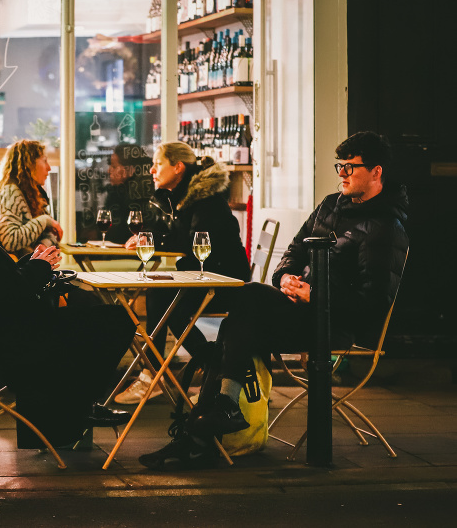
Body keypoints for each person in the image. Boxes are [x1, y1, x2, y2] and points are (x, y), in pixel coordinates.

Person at [140, 131, 409, 471]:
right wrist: (284, 278)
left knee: (236, 326)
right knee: (247, 299)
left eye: (350, 168)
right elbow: (293, 252)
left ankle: (199, 433)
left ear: (376, 172)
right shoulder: (329, 206)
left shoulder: (386, 227)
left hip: (335, 325)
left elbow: (374, 302)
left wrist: (315, 294)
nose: (341, 173)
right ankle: (215, 416)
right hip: (299, 311)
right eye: (339, 166)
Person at [0, 156, 136, 448]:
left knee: (92, 312)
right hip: (11, 336)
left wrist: (31, 262)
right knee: (116, 321)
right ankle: (77, 408)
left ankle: (74, 408)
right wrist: (39, 268)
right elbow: (9, 294)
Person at [115, 142, 250, 405]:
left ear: (178, 167)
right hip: (202, 276)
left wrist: (152, 242)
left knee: (164, 303)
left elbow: (196, 244)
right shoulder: (184, 197)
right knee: (160, 298)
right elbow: (179, 236)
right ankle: (162, 373)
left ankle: (202, 371)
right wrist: (149, 237)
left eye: (158, 163)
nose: (152, 170)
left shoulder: (205, 200)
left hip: (223, 282)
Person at [0, 140, 63, 255]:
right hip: (18, 270)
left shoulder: (33, 194)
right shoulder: (11, 192)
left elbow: (51, 235)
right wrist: (45, 220)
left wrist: (43, 245)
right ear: (29, 164)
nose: (49, 168)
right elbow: (10, 241)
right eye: (44, 161)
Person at [101, 144, 154, 243]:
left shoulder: (140, 196)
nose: (109, 171)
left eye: (114, 166)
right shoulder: (118, 191)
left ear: (130, 170)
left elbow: (118, 234)